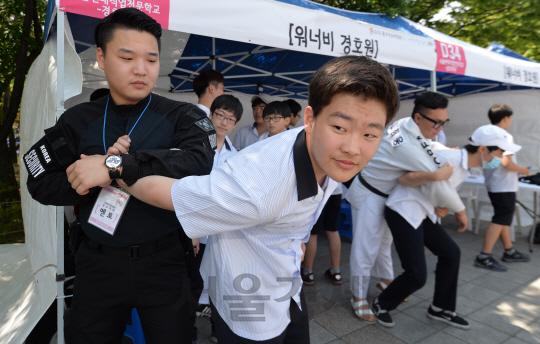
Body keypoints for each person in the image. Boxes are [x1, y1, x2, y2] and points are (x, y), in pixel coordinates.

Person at [107, 55, 400, 343]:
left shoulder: (328, 155)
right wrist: (113, 168)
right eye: (340, 127)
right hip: (248, 303)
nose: (352, 147)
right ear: (310, 119)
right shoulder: (260, 185)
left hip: (287, 285)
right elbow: (172, 194)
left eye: (370, 134)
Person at [23, 8, 216, 343]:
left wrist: (115, 166)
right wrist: (88, 179)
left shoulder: (181, 115)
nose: (141, 69)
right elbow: (38, 179)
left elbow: (198, 161)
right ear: (101, 57)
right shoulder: (77, 120)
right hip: (97, 265)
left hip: (165, 263)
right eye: (127, 57)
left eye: (151, 60)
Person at [375, 124, 521, 330]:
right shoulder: (448, 158)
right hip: (403, 211)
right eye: (499, 151)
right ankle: (381, 304)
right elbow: (405, 178)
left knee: (451, 253)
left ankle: (440, 308)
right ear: (483, 149)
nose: (502, 157)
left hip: (423, 213)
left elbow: (435, 190)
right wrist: (448, 203)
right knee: (416, 274)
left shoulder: (464, 166)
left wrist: (439, 206)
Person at [346, 91, 465, 324]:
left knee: (384, 244)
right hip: (370, 194)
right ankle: (357, 296)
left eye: (444, 122)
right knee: (366, 246)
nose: (440, 128)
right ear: (419, 118)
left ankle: (385, 279)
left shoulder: (405, 124)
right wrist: (457, 209)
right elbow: (435, 179)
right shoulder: (406, 144)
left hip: (389, 195)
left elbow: (427, 155)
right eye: (436, 122)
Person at [474, 104, 530, 271]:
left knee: (503, 218)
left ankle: (509, 250)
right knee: (500, 219)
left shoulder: (486, 133)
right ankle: (484, 256)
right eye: (510, 118)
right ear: (506, 118)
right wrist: (523, 171)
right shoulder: (504, 135)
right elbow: (506, 162)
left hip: (494, 183)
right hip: (504, 185)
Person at [301, 183, 343, 286]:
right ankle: (336, 271)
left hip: (319, 190)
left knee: (313, 233)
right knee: (333, 230)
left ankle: (308, 272)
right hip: (336, 189)